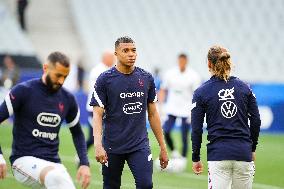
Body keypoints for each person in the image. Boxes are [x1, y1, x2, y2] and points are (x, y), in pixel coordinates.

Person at [0, 52, 91, 189]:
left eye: (65, 77)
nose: (61, 81)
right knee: (55, 178)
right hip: (23, 160)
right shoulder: (23, 91)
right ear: (45, 68)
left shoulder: (68, 99)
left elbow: (77, 133)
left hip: (54, 163)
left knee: (60, 182)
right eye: (58, 75)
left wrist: (84, 163)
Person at [90, 36, 169, 189]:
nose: (131, 54)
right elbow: (97, 114)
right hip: (112, 147)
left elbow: (153, 114)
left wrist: (163, 147)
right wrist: (98, 145)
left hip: (139, 145)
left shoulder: (146, 78)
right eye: (125, 51)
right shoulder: (104, 80)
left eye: (133, 50)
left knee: (146, 185)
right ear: (116, 54)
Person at [191, 45, 261, 189]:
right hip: (243, 154)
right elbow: (256, 120)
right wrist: (252, 148)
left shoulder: (201, 92)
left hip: (218, 155)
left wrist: (196, 157)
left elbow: (196, 129)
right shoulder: (244, 87)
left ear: (209, 64)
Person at [159, 53, 201, 172]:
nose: (181, 63)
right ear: (178, 61)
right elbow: (163, 89)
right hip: (172, 108)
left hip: (186, 110)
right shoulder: (170, 73)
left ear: (186, 61)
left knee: (184, 135)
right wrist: (160, 105)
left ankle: (182, 159)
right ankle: (174, 152)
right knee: (166, 131)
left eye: (183, 61)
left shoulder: (193, 75)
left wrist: (194, 111)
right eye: (180, 61)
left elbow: (196, 95)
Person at [85, 51, 115, 151]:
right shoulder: (98, 70)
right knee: (95, 136)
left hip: (105, 107)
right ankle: (81, 153)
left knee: (107, 136)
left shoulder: (107, 70)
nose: (114, 60)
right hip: (95, 108)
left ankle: (107, 160)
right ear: (105, 58)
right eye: (112, 57)